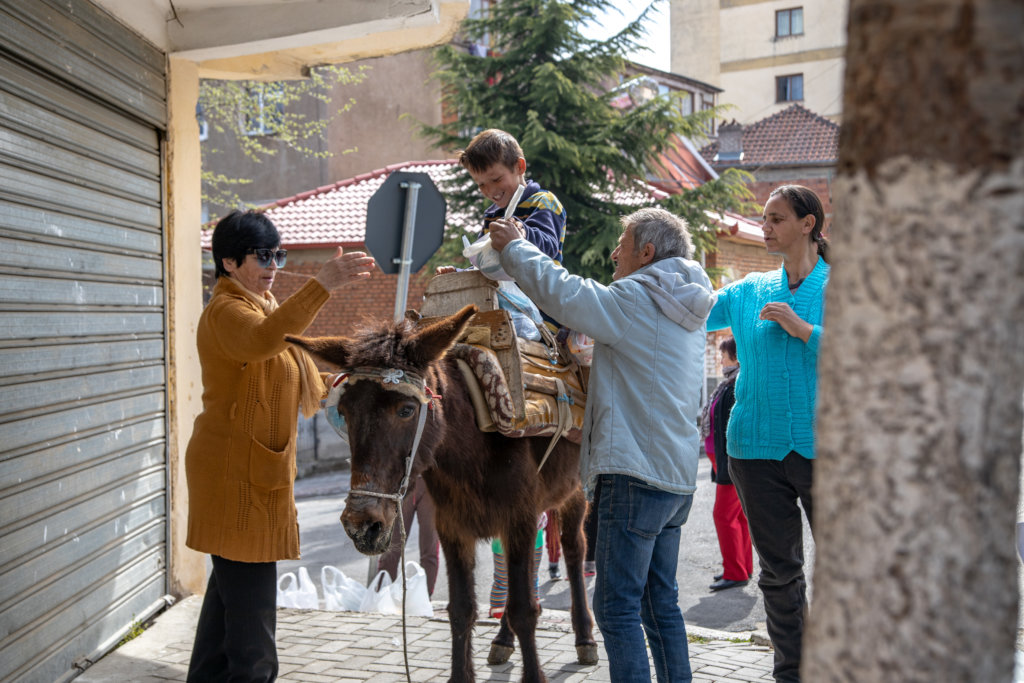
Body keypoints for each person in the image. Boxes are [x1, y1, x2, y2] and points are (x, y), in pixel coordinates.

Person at [490, 206, 715, 683]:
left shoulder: (636, 298)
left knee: (614, 610)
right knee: (661, 606)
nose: (615, 252)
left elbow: (566, 293)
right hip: (675, 480)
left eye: (623, 242)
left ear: (647, 253)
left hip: (633, 476)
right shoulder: (687, 305)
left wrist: (514, 247)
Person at [185, 210, 375, 682]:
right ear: (228, 262)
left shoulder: (263, 304)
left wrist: (344, 384)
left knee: (225, 616)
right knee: (255, 646)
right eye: (262, 255)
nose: (273, 264)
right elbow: (264, 343)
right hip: (235, 480)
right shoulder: (228, 312)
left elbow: (293, 362)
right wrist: (323, 284)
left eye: (278, 254)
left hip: (250, 474)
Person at [705, 184, 830, 683]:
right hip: (755, 451)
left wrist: (804, 329)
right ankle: (792, 671)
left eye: (776, 218)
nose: (766, 226)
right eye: (764, 217)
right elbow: (687, 312)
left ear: (808, 224)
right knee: (779, 573)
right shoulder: (748, 291)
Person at [459, 128, 566, 264]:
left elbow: (549, 248)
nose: (490, 191)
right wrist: (460, 273)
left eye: (496, 179)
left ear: (519, 167)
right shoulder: (492, 215)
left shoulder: (544, 201)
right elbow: (485, 263)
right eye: (481, 184)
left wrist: (521, 232)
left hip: (539, 285)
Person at [699, 337, 752, 591]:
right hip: (723, 463)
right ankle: (742, 567)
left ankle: (735, 571)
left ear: (736, 357)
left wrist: (728, 465)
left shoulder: (735, 386)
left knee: (723, 516)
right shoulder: (728, 384)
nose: (720, 359)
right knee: (739, 517)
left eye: (723, 355)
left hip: (731, 466)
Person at [377, 475, 440, 597]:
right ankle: (383, 596)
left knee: (430, 549)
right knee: (391, 547)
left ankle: (424, 599)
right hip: (401, 482)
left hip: (432, 483)